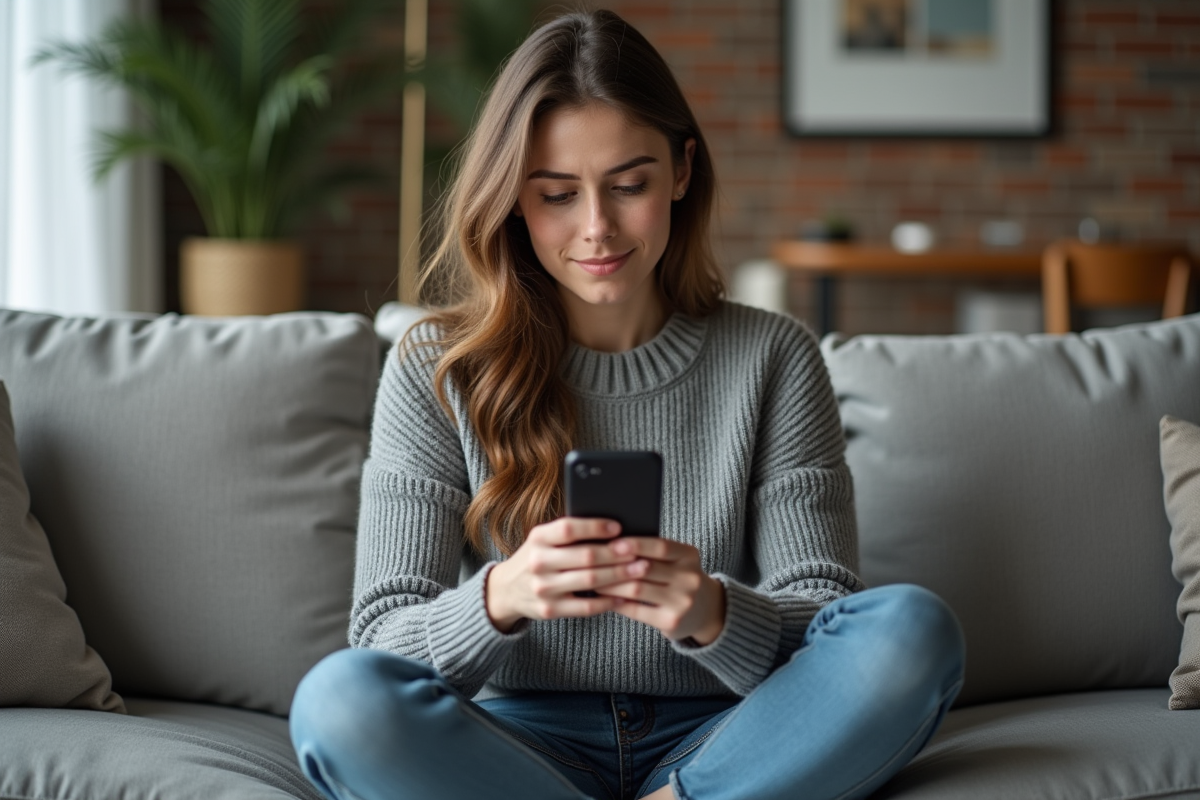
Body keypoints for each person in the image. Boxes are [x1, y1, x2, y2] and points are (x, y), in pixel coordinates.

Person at [289, 9, 964, 800]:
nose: (597, 228)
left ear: (682, 172)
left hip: (730, 738)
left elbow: (828, 618)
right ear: (512, 198)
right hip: (517, 746)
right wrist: (502, 597)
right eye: (556, 195)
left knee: (913, 632)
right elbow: (379, 643)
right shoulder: (437, 368)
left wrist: (711, 610)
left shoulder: (774, 357)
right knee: (337, 702)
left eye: (629, 185)